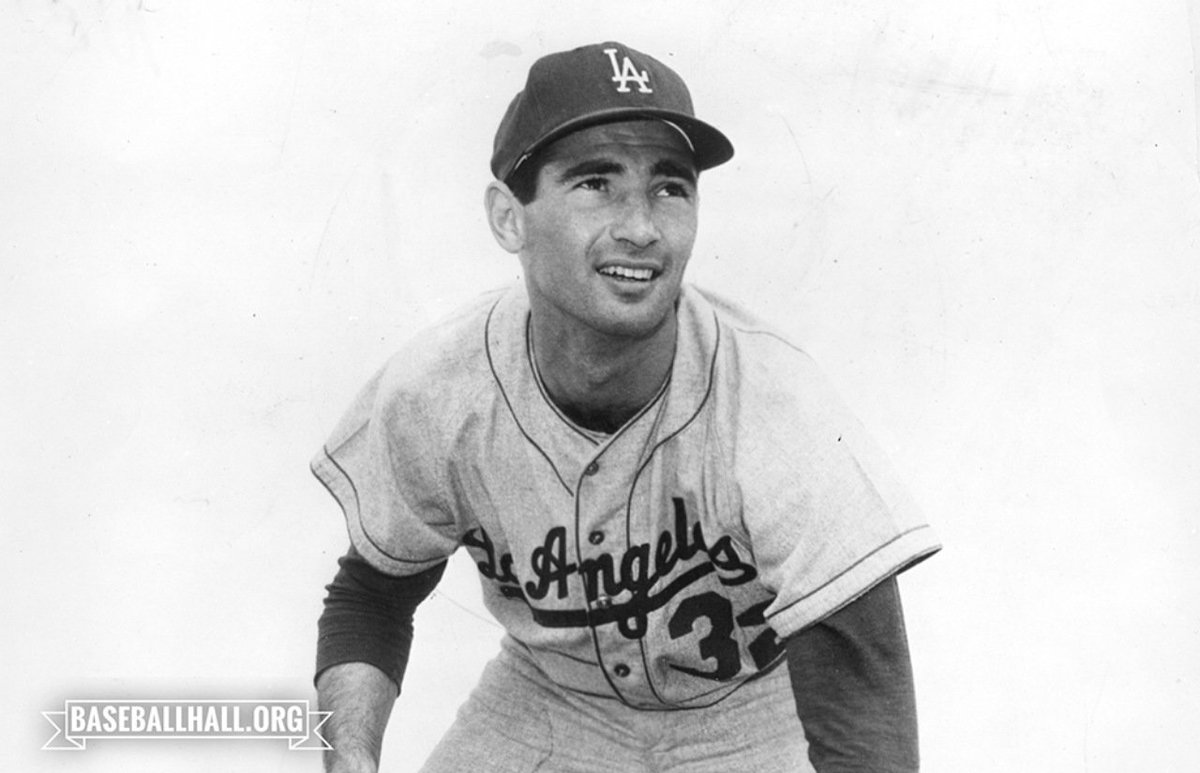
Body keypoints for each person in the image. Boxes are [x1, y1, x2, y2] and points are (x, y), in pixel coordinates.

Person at [311, 41, 941, 773]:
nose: (641, 227)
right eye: (595, 183)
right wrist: (349, 755)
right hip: (550, 701)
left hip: (752, 712)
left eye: (670, 187)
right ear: (509, 218)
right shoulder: (438, 390)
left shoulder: (774, 399)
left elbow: (865, 696)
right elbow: (373, 593)